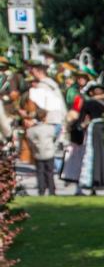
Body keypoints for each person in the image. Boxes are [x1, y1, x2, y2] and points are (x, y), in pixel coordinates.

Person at [25, 59, 66, 196]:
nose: (30, 72)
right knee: (49, 155)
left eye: (32, 70)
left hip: (48, 123)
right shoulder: (53, 83)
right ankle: (51, 189)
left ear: (37, 71)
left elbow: (41, 109)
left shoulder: (43, 86)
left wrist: (31, 119)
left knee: (42, 159)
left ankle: (44, 189)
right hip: (57, 121)